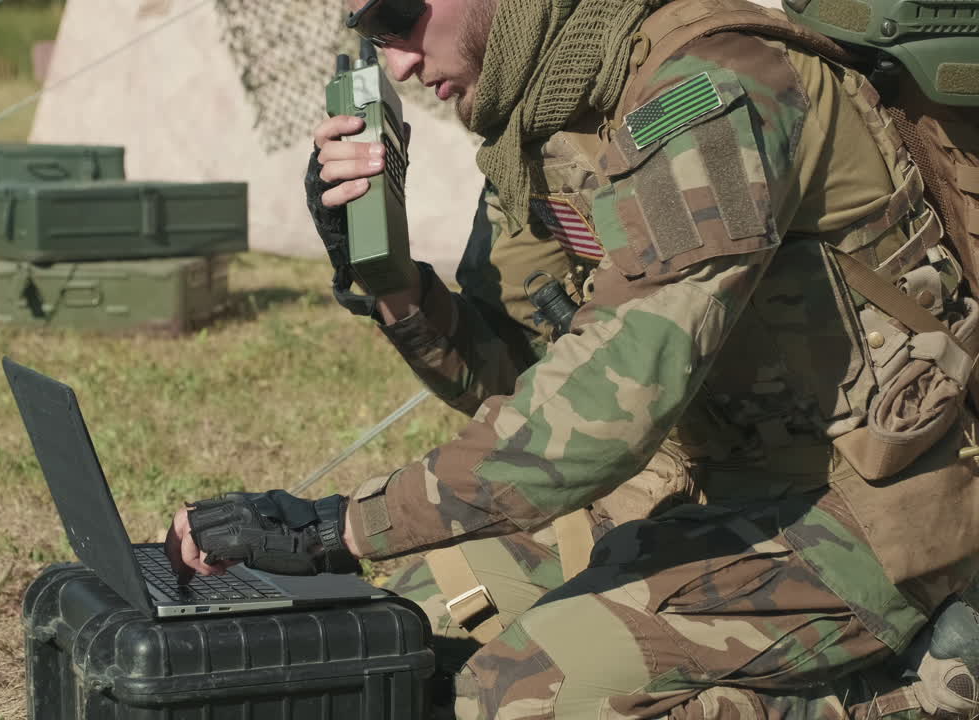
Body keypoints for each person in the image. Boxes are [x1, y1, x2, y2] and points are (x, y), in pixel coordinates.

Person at [166, 0, 979, 717]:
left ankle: (913, 691)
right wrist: (392, 284)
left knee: (522, 691)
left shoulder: (711, 90)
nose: (396, 62)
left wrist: (347, 524)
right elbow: (524, 382)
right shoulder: (541, 128)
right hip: (693, 481)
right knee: (408, 619)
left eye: (399, 15)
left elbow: (612, 399)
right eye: (370, 32)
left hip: (865, 511)